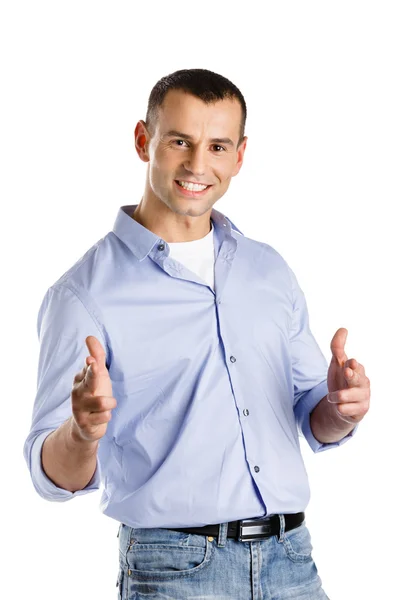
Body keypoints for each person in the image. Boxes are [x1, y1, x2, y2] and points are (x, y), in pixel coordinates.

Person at [23, 68, 371, 600]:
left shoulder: (268, 270)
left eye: (217, 146)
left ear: (240, 155)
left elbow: (311, 415)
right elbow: (52, 475)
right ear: (144, 141)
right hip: (176, 573)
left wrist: (339, 409)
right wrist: (83, 431)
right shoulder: (83, 294)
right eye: (180, 141)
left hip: (293, 562)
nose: (197, 165)